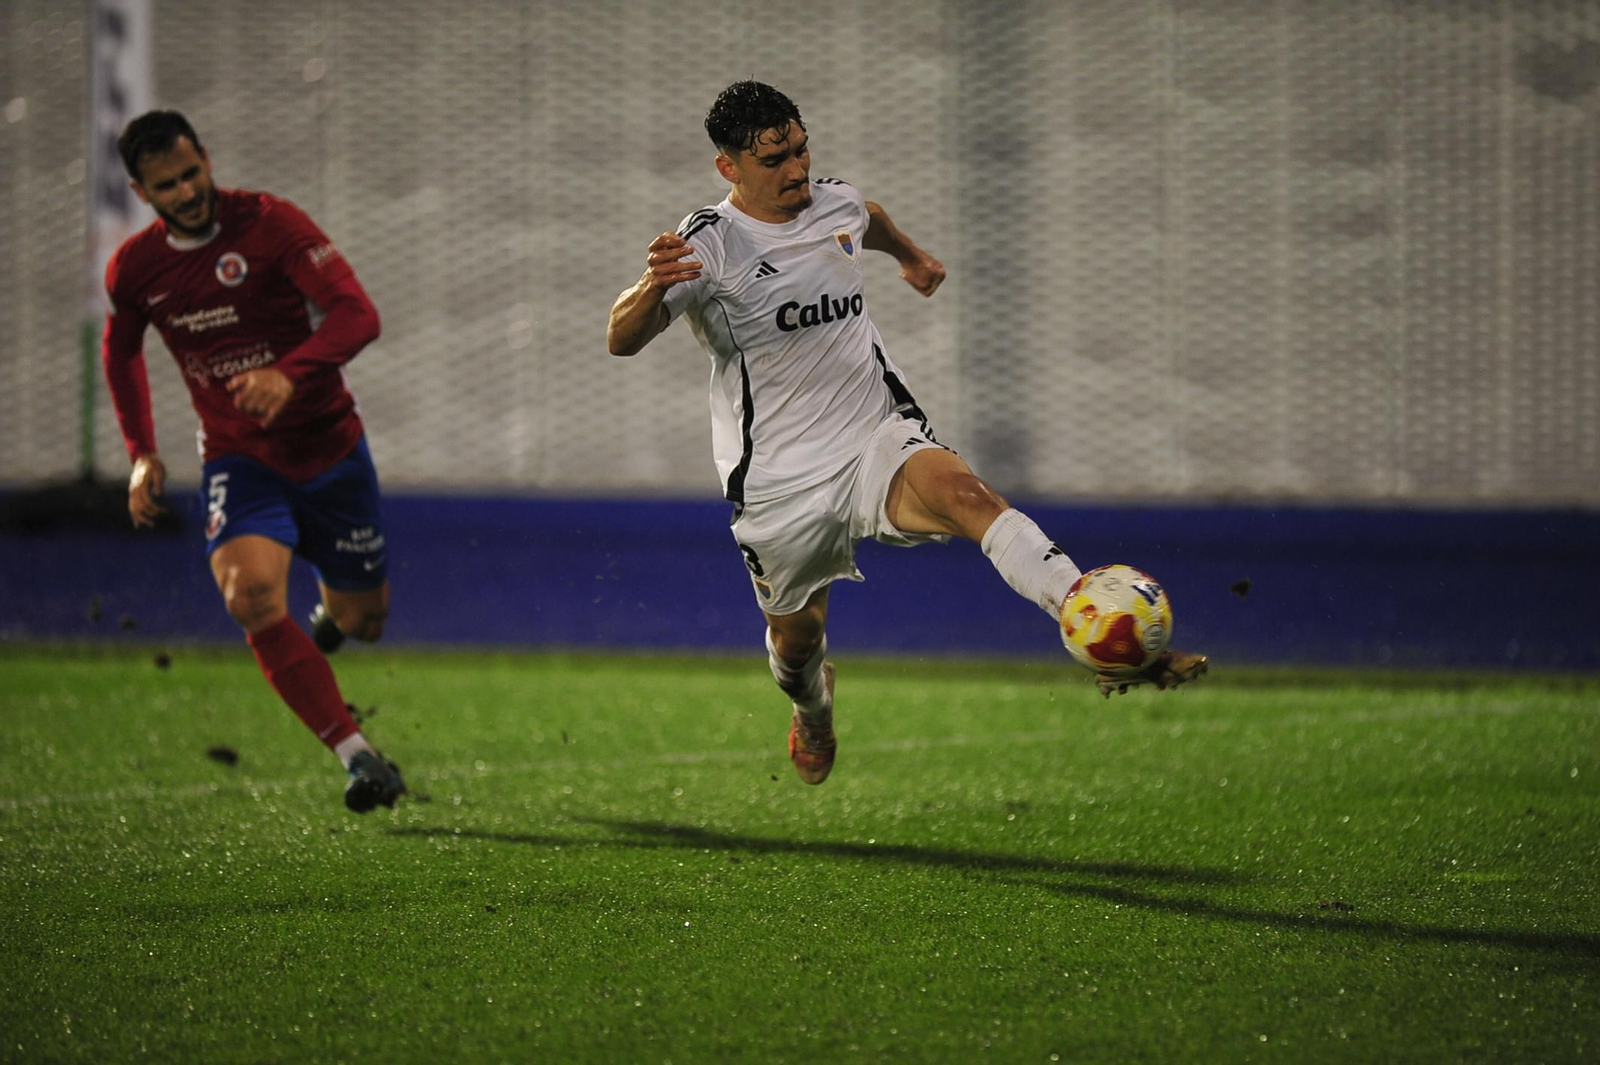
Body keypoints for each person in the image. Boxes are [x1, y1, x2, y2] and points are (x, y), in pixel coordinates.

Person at [607, 81, 1208, 786]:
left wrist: (910, 257)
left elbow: (869, 217)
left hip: (873, 438)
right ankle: (813, 707)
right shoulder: (711, 243)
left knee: (968, 495)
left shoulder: (833, 202)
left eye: (802, 149)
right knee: (795, 640)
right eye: (775, 160)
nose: (797, 169)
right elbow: (621, 339)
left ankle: (1091, 615)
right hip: (778, 479)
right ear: (729, 167)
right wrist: (650, 290)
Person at [101, 110, 405, 813]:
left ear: (206, 159)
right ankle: (358, 757)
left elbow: (358, 314)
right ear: (142, 193)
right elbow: (119, 353)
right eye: (166, 185)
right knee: (250, 596)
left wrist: (290, 373)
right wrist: (141, 452)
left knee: (366, 622)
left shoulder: (271, 225)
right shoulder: (138, 267)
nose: (185, 191)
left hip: (329, 447)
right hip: (241, 460)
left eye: (190, 173)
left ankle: (332, 614)